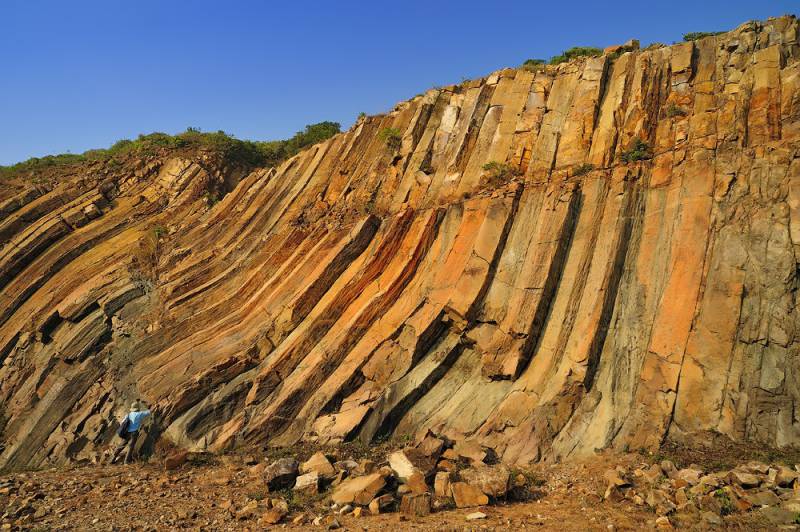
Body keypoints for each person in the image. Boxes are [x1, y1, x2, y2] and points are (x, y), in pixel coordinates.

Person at [111, 400, 151, 464]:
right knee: (131, 447)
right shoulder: (139, 414)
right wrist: (155, 406)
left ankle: (112, 459)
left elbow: (122, 423)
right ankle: (126, 461)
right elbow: (148, 412)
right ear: (137, 408)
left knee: (121, 445)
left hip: (127, 432)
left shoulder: (128, 415)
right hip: (134, 433)